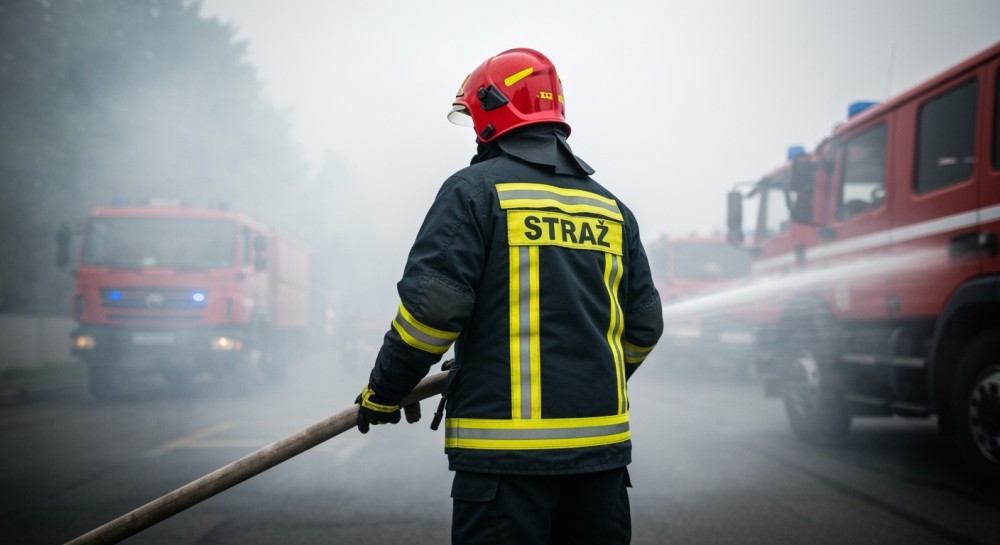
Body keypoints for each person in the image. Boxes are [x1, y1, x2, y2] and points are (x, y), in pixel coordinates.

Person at [354, 47, 663, 545]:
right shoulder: (612, 209)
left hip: (506, 467)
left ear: (491, 112)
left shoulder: (474, 193)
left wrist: (384, 393)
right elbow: (645, 325)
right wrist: (587, 372)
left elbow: (431, 314)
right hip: (601, 465)